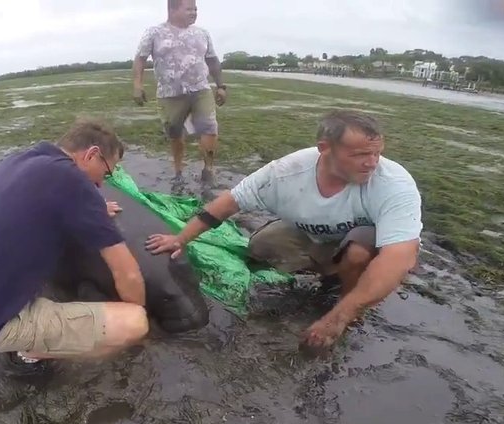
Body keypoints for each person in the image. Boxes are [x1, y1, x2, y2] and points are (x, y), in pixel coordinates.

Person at [145, 110, 423, 349]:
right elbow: (227, 204)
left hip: (364, 241)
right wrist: (180, 238)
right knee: (261, 246)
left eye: (377, 153)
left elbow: (399, 256)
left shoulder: (393, 182)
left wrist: (338, 318)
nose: (372, 162)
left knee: (359, 256)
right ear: (324, 148)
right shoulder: (285, 172)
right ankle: (330, 271)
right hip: (316, 235)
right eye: (360, 154)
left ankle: (351, 300)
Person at [0, 119, 149, 367]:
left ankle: (30, 339)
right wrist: (140, 312)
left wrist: (91, 209)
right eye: (106, 172)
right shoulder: (73, 181)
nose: (102, 184)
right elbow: (128, 274)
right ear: (92, 154)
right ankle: (34, 351)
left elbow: (39, 200)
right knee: (135, 323)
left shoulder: (22, 159)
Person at [132, 0, 227, 185]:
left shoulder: (202, 33)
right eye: (189, 9)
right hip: (170, 94)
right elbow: (140, 59)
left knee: (209, 128)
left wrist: (221, 86)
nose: (194, 13)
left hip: (200, 90)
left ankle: (208, 170)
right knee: (175, 134)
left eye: (196, 9)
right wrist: (137, 85)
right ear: (173, 9)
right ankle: (178, 171)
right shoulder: (154, 32)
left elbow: (213, 60)